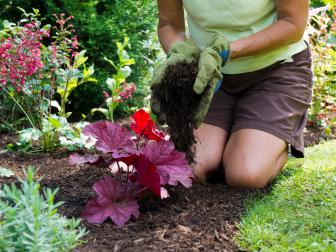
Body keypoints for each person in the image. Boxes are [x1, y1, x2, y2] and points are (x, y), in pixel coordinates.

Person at [151, 0, 312, 188]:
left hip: (275, 72)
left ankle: (272, 143)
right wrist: (179, 53)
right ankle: (236, 143)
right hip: (211, 76)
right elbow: (169, 24)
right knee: (189, 169)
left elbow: (293, 23)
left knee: (245, 176)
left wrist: (226, 51)